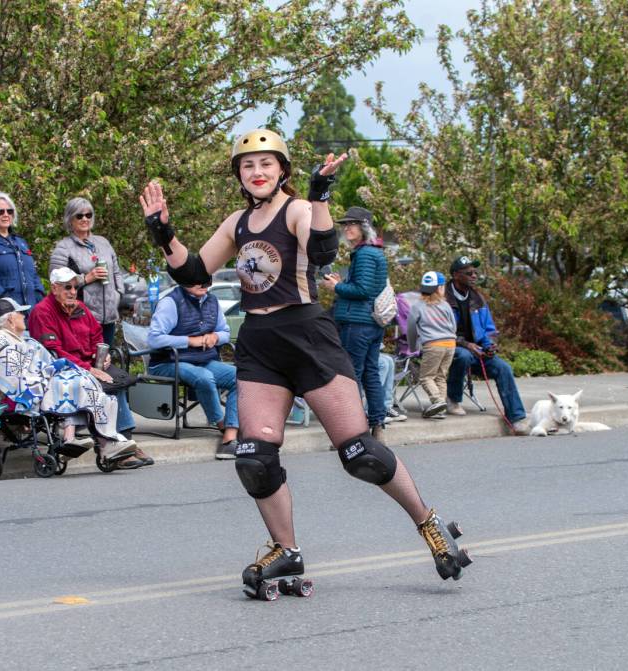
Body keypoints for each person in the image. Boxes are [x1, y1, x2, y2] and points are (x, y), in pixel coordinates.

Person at [139, 128, 470, 591]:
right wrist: (163, 231)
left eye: (266, 164)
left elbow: (323, 251)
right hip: (260, 343)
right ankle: (286, 551)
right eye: (248, 165)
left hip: (307, 336)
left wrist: (319, 196)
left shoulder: (297, 209)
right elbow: (195, 271)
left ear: (283, 171)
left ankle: (430, 525)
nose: (256, 172)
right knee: (253, 457)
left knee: (360, 454)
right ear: (238, 174)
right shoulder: (237, 222)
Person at [0, 298, 138, 467]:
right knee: (71, 384)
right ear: (10, 319)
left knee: (80, 380)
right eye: (20, 313)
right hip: (20, 395)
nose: (24, 316)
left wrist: (56, 368)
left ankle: (98, 441)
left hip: (40, 383)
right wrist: (49, 373)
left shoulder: (20, 339)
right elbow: (11, 377)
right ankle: (98, 441)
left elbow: (43, 361)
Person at [28, 267, 153, 467]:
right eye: (67, 287)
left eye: (75, 287)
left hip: (89, 364)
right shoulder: (42, 312)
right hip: (65, 369)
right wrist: (88, 368)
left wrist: (103, 357)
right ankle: (114, 443)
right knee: (103, 386)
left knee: (118, 381)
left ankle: (124, 441)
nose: (72, 291)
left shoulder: (80, 308)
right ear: (54, 288)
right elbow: (54, 352)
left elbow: (97, 334)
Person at [147, 280, 238, 460]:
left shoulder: (212, 301)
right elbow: (154, 339)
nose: (203, 284)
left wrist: (215, 337)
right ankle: (222, 427)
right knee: (204, 377)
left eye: (207, 280)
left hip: (202, 360)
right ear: (184, 278)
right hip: (168, 362)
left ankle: (231, 433)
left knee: (241, 377)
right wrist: (189, 341)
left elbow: (225, 332)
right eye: (197, 279)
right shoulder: (171, 302)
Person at [320, 206, 389, 443]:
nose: (346, 228)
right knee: (370, 373)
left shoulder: (366, 254)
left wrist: (336, 287)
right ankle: (377, 425)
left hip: (357, 325)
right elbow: (366, 287)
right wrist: (343, 283)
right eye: (345, 224)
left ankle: (353, 432)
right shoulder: (374, 252)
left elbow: (363, 290)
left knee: (352, 377)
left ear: (364, 228)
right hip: (371, 323)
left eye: (352, 224)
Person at [445, 255, 529, 433]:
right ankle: (453, 399)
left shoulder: (478, 299)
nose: (474, 276)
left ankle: (517, 418)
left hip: (478, 351)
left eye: (475, 272)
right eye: (469, 272)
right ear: (455, 275)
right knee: (463, 355)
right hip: (448, 350)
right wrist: (466, 345)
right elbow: (440, 332)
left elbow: (490, 329)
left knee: (503, 368)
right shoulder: (443, 298)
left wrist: (490, 344)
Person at [49, 197, 125, 344]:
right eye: (79, 215)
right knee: (87, 362)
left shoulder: (103, 242)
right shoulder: (63, 247)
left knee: (105, 360)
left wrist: (118, 294)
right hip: (81, 316)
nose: (85, 219)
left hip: (108, 318)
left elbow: (117, 272)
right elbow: (56, 282)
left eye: (88, 215)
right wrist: (86, 278)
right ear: (70, 219)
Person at [407, 271, 458, 418]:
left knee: (426, 377)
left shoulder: (417, 306)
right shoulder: (446, 305)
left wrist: (412, 347)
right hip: (450, 344)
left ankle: (437, 401)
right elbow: (453, 326)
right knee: (441, 377)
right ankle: (440, 410)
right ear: (440, 288)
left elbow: (411, 329)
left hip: (433, 345)